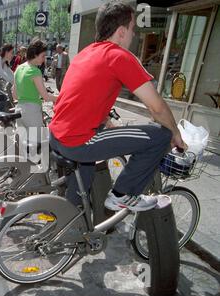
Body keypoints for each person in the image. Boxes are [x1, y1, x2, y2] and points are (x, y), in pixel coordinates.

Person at [49, 0, 186, 212]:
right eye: (133, 29)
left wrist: (105, 119)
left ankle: (70, 223)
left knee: (82, 183)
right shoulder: (119, 56)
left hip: (57, 136)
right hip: (78, 141)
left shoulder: (86, 52)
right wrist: (176, 133)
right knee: (160, 135)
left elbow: (82, 96)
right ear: (121, 32)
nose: (134, 35)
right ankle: (122, 194)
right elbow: (157, 107)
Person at [13, 40, 57, 146]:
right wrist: (59, 98)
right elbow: (45, 96)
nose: (44, 59)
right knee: (38, 146)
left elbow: (14, 95)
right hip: (32, 111)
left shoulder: (19, 68)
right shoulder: (35, 71)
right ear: (35, 55)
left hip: (18, 110)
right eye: (42, 56)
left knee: (23, 145)